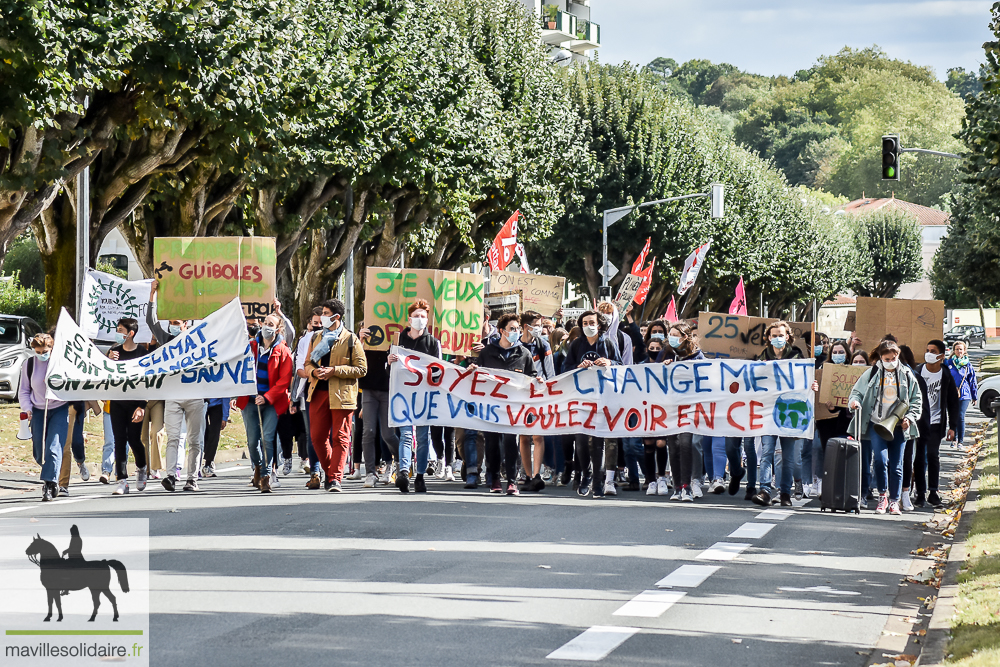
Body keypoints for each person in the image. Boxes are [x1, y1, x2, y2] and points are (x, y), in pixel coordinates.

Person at [848, 339, 923, 515]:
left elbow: (916, 400)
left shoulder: (907, 374)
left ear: (898, 355)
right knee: (880, 461)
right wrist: (854, 402)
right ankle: (883, 496)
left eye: (894, 357)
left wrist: (910, 418)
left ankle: (894, 501)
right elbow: (857, 392)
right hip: (877, 425)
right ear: (880, 357)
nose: (891, 361)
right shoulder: (872, 373)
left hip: (898, 426)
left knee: (897, 465)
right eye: (887, 358)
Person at [468, 313, 538, 496]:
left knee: (510, 441)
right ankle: (494, 478)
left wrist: (536, 380)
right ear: (501, 331)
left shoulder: (523, 354)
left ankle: (512, 481)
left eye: (517, 329)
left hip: (513, 408)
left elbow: (532, 375)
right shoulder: (487, 352)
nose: (516, 332)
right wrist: (473, 371)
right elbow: (478, 376)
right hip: (492, 406)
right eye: (512, 329)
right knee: (492, 443)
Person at [305, 298, 367, 492]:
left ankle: (334, 479)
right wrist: (314, 372)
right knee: (317, 437)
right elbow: (307, 364)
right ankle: (332, 471)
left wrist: (335, 370)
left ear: (336, 317)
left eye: (325, 313)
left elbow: (361, 368)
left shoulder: (350, 339)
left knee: (340, 437)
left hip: (342, 395)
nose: (322, 317)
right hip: (318, 393)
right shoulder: (316, 338)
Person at [564, 309, 622, 498]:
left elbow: (622, 366)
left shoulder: (608, 343)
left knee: (597, 442)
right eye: (585, 323)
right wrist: (578, 367)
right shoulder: (575, 345)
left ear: (600, 325)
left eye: (592, 322)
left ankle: (598, 480)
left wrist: (610, 363)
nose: (589, 326)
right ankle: (586, 473)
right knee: (581, 441)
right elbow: (565, 370)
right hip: (581, 399)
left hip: (602, 398)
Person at [237, 312, 294, 493]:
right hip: (250, 401)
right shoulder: (250, 347)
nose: (267, 326)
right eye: (266, 322)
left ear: (278, 329)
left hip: (271, 402)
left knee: (267, 439)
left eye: (271, 324)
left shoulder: (283, 351)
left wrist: (268, 396)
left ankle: (266, 476)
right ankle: (258, 467)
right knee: (253, 441)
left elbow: (284, 380)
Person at [387, 299, 439, 493]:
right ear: (409, 319)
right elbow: (389, 372)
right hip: (403, 396)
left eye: (423, 317)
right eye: (416, 316)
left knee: (424, 438)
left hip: (424, 397)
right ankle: (403, 472)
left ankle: (420, 475)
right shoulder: (398, 341)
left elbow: (438, 371)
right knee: (406, 435)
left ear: (428, 320)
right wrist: (389, 362)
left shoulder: (433, 343)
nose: (419, 319)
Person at [752, 321, 805, 507]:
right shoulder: (761, 358)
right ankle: (765, 491)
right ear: (768, 337)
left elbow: (804, 381)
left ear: (788, 336)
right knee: (767, 452)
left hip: (789, 412)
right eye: (774, 335)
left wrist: (811, 386)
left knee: (788, 456)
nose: (777, 338)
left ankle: (785, 493)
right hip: (767, 412)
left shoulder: (797, 357)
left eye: (781, 335)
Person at [20, 334, 70, 501]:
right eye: (38, 351)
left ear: (52, 349)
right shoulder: (29, 365)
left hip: (59, 408)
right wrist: (27, 409)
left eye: (45, 351)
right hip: (38, 410)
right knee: (39, 450)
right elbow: (24, 390)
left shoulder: (59, 363)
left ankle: (49, 483)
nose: (42, 354)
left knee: (53, 447)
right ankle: (50, 471)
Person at [911, 340, 959, 508]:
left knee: (932, 455)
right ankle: (920, 493)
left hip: (936, 423)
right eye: (927, 350)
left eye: (933, 351)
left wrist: (953, 426)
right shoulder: (917, 372)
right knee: (918, 458)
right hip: (918, 422)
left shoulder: (945, 375)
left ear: (941, 356)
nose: (929, 353)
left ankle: (933, 491)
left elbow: (953, 402)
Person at [660, 321, 704, 501]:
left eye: (675, 334)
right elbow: (655, 373)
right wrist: (665, 366)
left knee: (686, 444)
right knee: (674, 446)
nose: (671, 338)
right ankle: (677, 487)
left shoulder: (697, 356)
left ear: (685, 337)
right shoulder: (668, 353)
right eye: (670, 334)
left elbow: (706, 377)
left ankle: (687, 487)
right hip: (671, 408)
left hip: (690, 409)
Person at [107, 318, 148, 496]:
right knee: (119, 440)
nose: (118, 333)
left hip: (135, 403)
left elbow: (148, 381)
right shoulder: (114, 352)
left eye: (121, 330)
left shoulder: (142, 352)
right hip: (117, 402)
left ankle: (141, 467)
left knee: (134, 439)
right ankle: (122, 479)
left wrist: (142, 406)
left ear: (130, 333)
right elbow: (103, 373)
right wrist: (107, 359)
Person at [358, 321, 400, 488]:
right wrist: (360, 341)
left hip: (387, 389)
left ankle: (401, 461)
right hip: (368, 388)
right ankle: (370, 473)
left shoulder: (393, 332)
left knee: (388, 434)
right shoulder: (365, 333)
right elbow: (354, 358)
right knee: (368, 431)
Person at [518, 310, 555, 492]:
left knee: (538, 435)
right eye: (537, 325)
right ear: (526, 326)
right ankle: (527, 474)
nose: (540, 329)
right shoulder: (515, 345)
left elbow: (550, 372)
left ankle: (537, 474)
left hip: (539, 395)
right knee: (524, 436)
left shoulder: (544, 345)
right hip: (520, 396)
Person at [296, 307, 324, 487]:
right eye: (316, 324)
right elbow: (299, 368)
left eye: (322, 323)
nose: (319, 327)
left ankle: (330, 470)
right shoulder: (305, 340)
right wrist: (312, 373)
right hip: (310, 392)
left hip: (331, 392)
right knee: (312, 434)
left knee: (327, 435)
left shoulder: (342, 338)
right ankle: (315, 470)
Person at [945, 340, 977, 449]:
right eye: (957, 349)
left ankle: (960, 441)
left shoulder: (967, 365)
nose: (959, 351)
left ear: (964, 351)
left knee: (960, 416)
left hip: (964, 394)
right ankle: (954, 440)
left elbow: (972, 381)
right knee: (953, 416)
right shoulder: (948, 363)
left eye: (961, 349)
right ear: (954, 351)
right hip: (951, 394)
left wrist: (974, 396)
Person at [201, 397, 230, 477]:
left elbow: (225, 395)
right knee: (203, 433)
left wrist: (225, 416)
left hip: (217, 405)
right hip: (200, 404)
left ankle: (208, 463)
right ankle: (202, 459)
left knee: (214, 434)